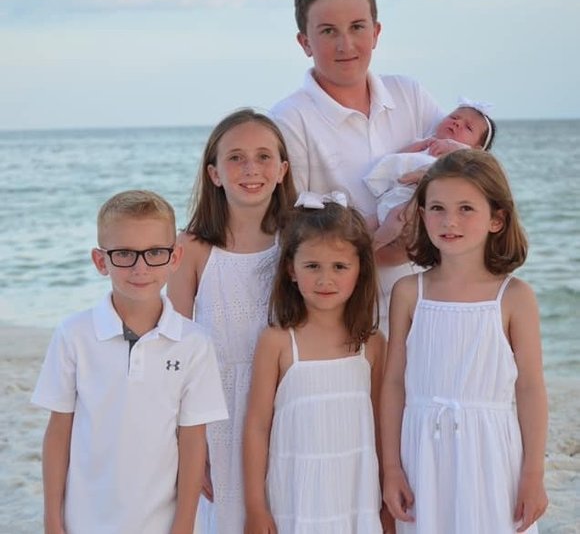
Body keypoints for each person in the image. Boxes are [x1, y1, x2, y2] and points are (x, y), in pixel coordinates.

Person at [31, 190, 228, 534]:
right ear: (100, 261)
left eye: (155, 253)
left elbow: (193, 441)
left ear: (175, 257)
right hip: (84, 521)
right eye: (124, 254)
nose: (140, 268)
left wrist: (184, 524)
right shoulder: (73, 335)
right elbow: (58, 434)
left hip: (161, 523)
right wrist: (52, 519)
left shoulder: (194, 343)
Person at [381, 150, 548, 533]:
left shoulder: (514, 296)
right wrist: (391, 468)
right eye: (437, 208)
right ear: (422, 214)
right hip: (422, 453)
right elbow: (393, 384)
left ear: (496, 219)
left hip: (491, 453)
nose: (449, 221)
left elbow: (530, 388)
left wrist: (533, 473)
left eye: (466, 209)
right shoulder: (409, 292)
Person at [270, 0, 446, 326]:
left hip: (431, 302)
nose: (345, 45)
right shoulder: (288, 120)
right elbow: (292, 230)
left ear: (376, 32)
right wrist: (386, 247)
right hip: (347, 316)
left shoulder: (409, 94)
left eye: (357, 27)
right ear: (305, 42)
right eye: (328, 31)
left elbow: (468, 168)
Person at [167, 109, 296, 533]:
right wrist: (188, 439)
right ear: (214, 174)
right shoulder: (192, 248)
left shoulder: (297, 241)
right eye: (236, 158)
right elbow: (176, 349)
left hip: (287, 400)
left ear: (282, 170)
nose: (250, 168)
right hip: (217, 407)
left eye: (263, 157)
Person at [243, 192, 386, 534]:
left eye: (339, 267)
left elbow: (383, 427)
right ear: (291, 270)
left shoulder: (372, 344)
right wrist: (255, 507)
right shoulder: (277, 342)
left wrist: (385, 500)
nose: (325, 280)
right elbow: (257, 427)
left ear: (360, 270)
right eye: (312, 266)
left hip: (356, 496)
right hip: (296, 498)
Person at [364, 101, 496, 249]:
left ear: (477, 149)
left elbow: (471, 165)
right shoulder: (426, 143)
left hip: (412, 203)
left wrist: (452, 147)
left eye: (468, 127)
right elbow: (399, 158)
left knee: (397, 216)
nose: (457, 123)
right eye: (454, 117)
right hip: (393, 196)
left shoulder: (463, 157)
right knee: (366, 223)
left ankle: (373, 247)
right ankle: (356, 248)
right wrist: (420, 145)